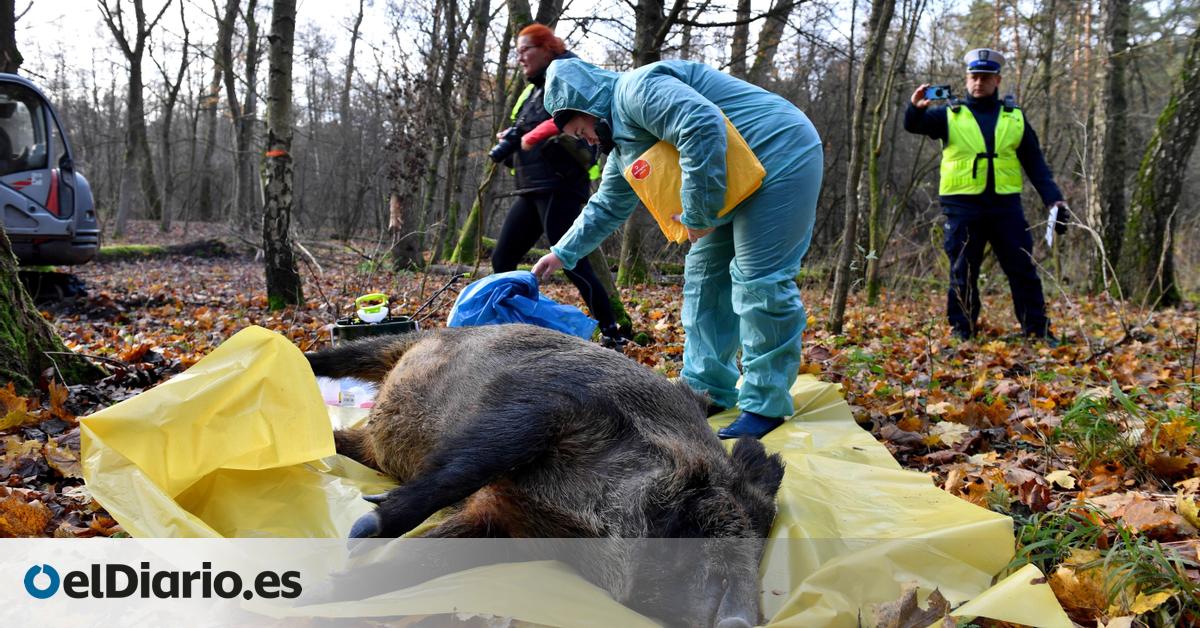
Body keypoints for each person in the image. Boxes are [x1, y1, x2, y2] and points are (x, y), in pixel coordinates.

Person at [531, 58, 823, 440]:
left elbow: (700, 124)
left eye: (580, 130)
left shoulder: (637, 90)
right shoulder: (623, 149)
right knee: (704, 280)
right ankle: (705, 390)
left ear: (587, 105)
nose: (585, 140)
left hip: (780, 152)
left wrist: (698, 213)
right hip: (733, 178)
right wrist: (561, 253)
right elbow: (606, 206)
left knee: (758, 280)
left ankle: (764, 403)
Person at [905, 48, 1068, 343]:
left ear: (997, 80)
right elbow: (913, 125)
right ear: (967, 79)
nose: (979, 82)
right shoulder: (949, 114)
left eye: (985, 77)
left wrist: (1053, 199)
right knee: (962, 272)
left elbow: (1035, 163)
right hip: (962, 207)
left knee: (1022, 269)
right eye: (974, 77)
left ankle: (1038, 331)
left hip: (1006, 207)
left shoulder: (1014, 117)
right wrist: (915, 108)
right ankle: (962, 331)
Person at [489, 23, 626, 346]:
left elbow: (577, 113)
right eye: (517, 51)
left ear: (547, 48)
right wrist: (513, 136)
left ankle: (612, 331)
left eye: (526, 50)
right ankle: (510, 330)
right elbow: (526, 125)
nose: (520, 57)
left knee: (571, 261)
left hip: (560, 184)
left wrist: (534, 134)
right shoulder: (533, 90)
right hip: (531, 185)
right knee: (502, 259)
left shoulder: (568, 73)